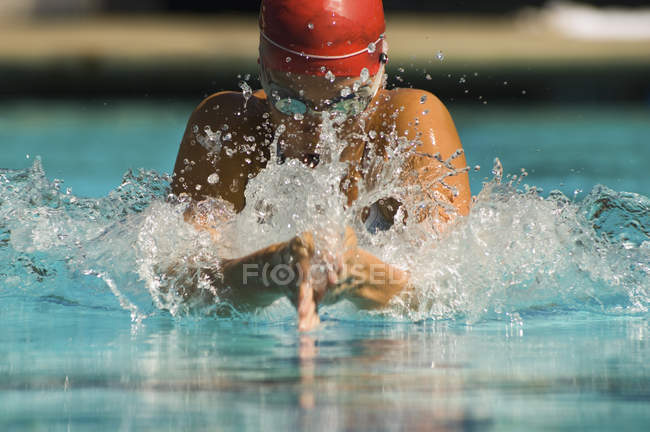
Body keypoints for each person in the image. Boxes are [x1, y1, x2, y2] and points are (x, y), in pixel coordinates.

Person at [171, 0, 470, 330]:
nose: (318, 126)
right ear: (263, 72)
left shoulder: (409, 127)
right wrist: (268, 269)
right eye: (290, 101)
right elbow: (177, 284)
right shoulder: (228, 131)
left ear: (379, 77)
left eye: (346, 103)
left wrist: (363, 276)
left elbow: (452, 289)